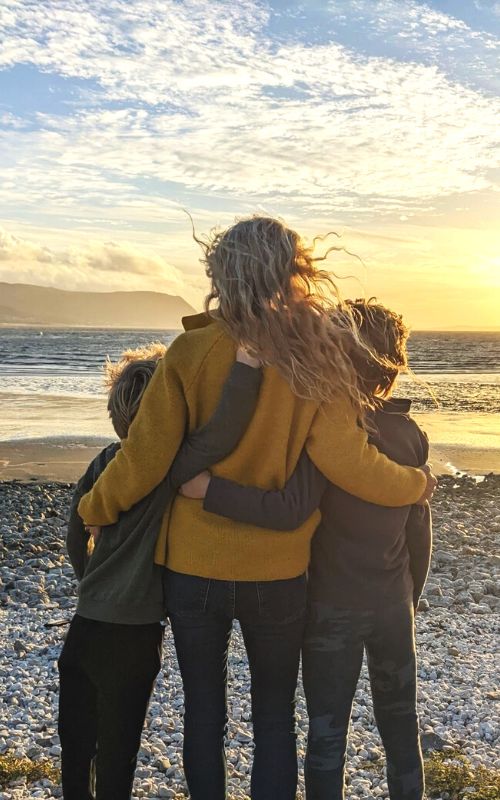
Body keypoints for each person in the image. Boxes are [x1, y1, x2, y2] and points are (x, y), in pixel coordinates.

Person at [78, 217, 436, 800]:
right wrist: (414, 486)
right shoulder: (317, 355)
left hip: (194, 566)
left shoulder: (191, 351)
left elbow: (144, 458)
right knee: (273, 715)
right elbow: (348, 463)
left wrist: (97, 506)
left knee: (204, 714)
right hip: (279, 570)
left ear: (223, 271)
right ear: (295, 272)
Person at [183, 298, 432, 800]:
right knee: (401, 725)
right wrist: (410, 595)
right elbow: (418, 532)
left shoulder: (323, 433)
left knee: (327, 735)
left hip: (330, 607)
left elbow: (288, 507)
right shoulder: (410, 436)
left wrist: (211, 490)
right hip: (392, 603)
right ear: (392, 367)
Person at [59, 343, 262, 800]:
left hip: (86, 626)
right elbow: (221, 433)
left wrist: (90, 583)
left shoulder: (103, 463)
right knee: (118, 752)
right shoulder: (169, 468)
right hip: (134, 633)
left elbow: (76, 534)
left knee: (76, 750)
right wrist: (247, 366)